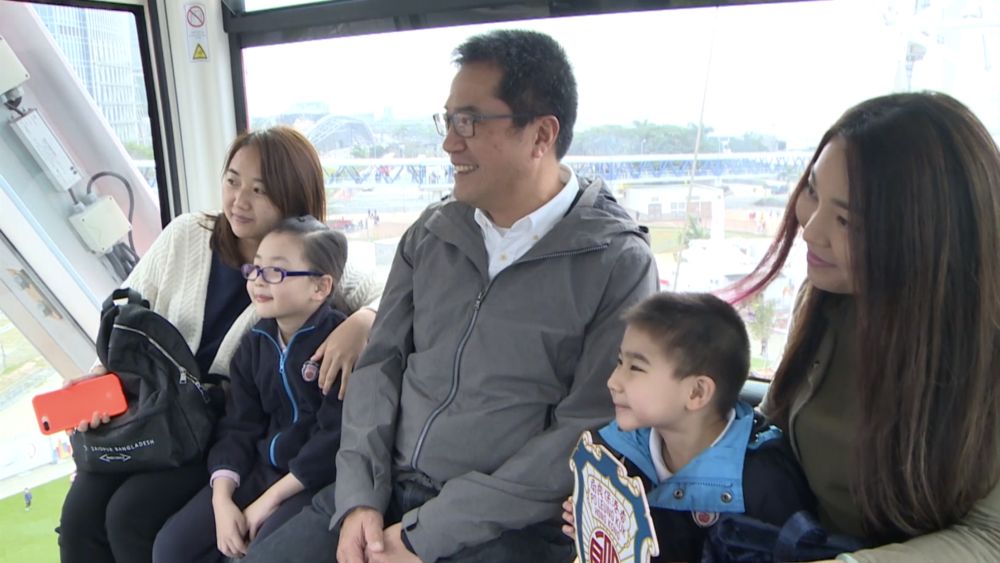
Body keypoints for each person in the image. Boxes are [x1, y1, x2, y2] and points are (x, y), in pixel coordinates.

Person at [241, 29, 658, 563]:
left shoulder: (616, 263)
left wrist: (424, 535)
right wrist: (360, 499)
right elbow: (379, 366)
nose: (448, 143)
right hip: (382, 487)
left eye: (470, 122)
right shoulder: (432, 234)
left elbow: (582, 432)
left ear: (541, 135)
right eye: (447, 120)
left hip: (502, 526)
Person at [58, 126, 382, 563]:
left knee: (128, 516)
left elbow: (392, 295)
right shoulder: (187, 234)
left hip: (215, 427)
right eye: (232, 181)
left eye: (259, 190)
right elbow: (125, 319)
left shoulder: (309, 261)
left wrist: (363, 321)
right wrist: (104, 376)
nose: (238, 200)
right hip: (154, 410)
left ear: (293, 197)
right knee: (79, 520)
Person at [734, 92, 1000, 562]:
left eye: (848, 221)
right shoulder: (824, 302)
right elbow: (774, 441)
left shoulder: (985, 352)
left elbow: (988, 537)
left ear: (927, 238)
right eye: (812, 190)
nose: (811, 230)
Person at [560, 292, 814, 562]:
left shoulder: (762, 484)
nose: (613, 381)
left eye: (636, 368)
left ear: (696, 393)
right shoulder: (620, 455)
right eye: (620, 362)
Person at [153, 216, 350, 562]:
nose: (258, 281)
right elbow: (239, 426)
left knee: (262, 553)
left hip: (312, 481)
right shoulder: (254, 344)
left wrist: (269, 500)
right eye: (255, 269)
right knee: (170, 549)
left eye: (275, 272)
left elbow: (334, 440)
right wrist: (222, 499)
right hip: (260, 470)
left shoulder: (338, 349)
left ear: (320, 288)